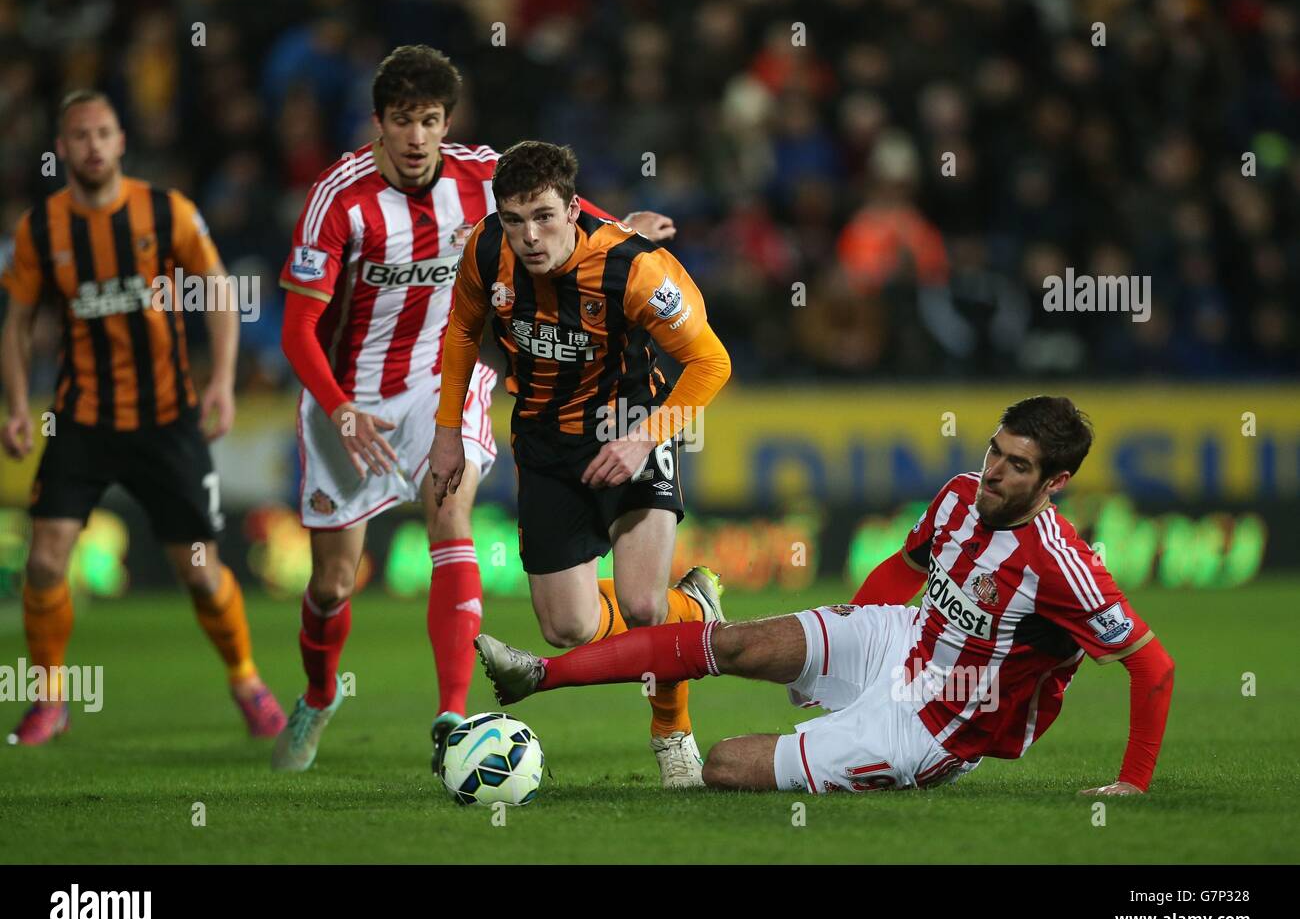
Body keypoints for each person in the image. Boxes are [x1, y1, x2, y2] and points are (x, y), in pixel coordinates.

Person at [274, 46, 676, 773]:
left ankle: (452, 716)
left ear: (446, 121)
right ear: (379, 123)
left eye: (430, 120)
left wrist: (622, 229)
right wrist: (337, 409)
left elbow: (554, 205)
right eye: (402, 121)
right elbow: (297, 329)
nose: (417, 137)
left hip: (445, 378)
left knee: (450, 514)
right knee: (332, 585)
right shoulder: (341, 196)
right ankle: (320, 691)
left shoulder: (480, 173)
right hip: (350, 399)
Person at [475, 396, 1175, 796]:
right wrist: (845, 643)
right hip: (901, 639)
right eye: (994, 449)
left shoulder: (1064, 568)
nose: (992, 471)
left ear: (1054, 483)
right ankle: (539, 674)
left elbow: (1154, 667)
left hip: (933, 726)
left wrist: (1133, 782)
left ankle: (874, 757)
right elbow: (906, 567)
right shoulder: (962, 494)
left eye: (1015, 466)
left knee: (723, 765)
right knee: (738, 642)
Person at [429, 141, 733, 787]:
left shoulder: (636, 271)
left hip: (629, 428)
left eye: (543, 216)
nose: (529, 236)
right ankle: (694, 608)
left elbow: (711, 363)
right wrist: (448, 432)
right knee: (566, 626)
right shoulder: (486, 250)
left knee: (641, 605)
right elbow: (460, 331)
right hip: (542, 440)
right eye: (514, 219)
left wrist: (645, 438)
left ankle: (672, 734)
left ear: (573, 208)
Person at [0, 90, 284, 744]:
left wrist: (220, 381)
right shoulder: (42, 228)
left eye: (103, 133)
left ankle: (245, 679)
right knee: (45, 561)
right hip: (81, 420)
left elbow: (217, 287)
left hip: (166, 419)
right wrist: (18, 403)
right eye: (80, 136)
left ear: (121, 141)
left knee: (199, 569)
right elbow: (18, 323)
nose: (93, 145)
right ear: (62, 150)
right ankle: (50, 698)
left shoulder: (165, 211)